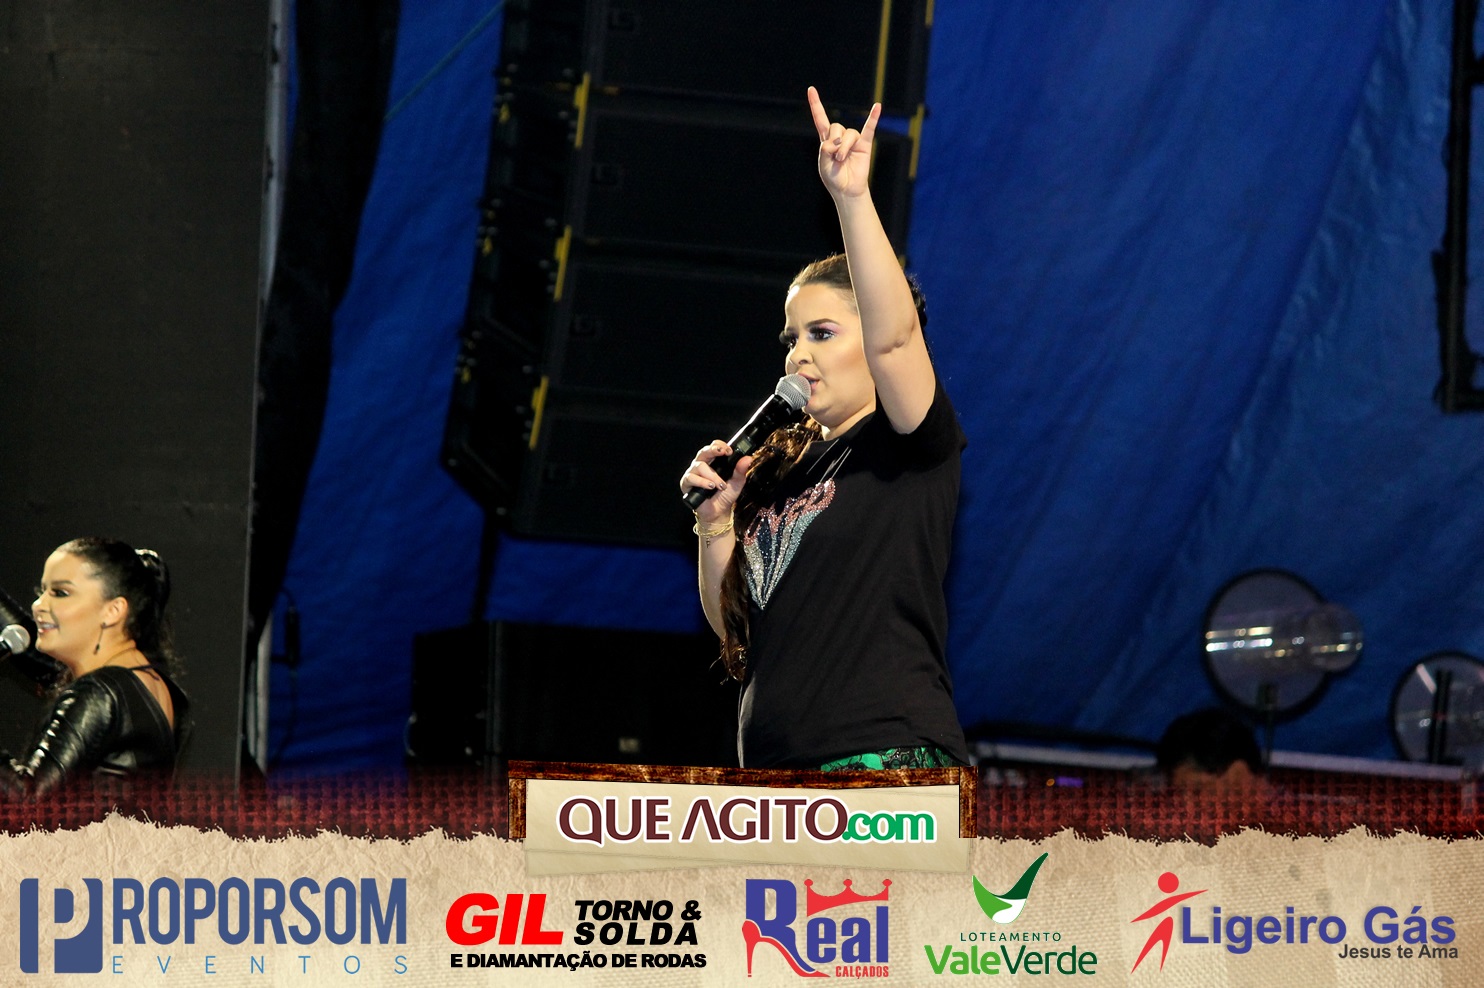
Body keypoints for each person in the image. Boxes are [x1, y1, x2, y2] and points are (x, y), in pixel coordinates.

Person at [680, 87, 968, 770]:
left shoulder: (908, 442)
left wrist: (851, 197)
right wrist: (715, 524)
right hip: (776, 774)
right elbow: (736, 628)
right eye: (791, 339)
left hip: (882, 759)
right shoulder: (779, 473)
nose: (797, 354)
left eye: (822, 332)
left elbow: (896, 342)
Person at [2, 537, 190, 797]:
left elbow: (28, 801)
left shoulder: (100, 692)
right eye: (41, 592)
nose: (38, 606)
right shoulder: (150, 685)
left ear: (113, 610)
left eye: (60, 593)